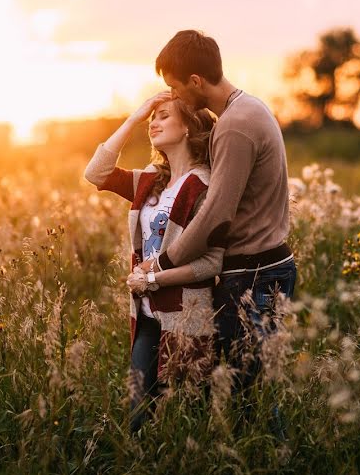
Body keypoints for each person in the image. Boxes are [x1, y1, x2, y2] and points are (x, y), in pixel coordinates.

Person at [137, 30, 296, 433]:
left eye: (174, 86)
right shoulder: (248, 110)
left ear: (196, 82)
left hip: (253, 274)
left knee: (251, 391)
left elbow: (215, 215)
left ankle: (274, 462)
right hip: (261, 269)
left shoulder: (235, 126)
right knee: (250, 387)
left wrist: (163, 261)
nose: (171, 96)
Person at [83, 93, 221, 434]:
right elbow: (96, 173)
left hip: (187, 316)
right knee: (138, 417)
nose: (153, 124)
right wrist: (133, 118)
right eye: (151, 120)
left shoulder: (202, 186)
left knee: (187, 415)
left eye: (162, 116)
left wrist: (154, 278)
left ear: (188, 126)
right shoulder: (150, 180)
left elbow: (212, 262)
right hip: (144, 314)